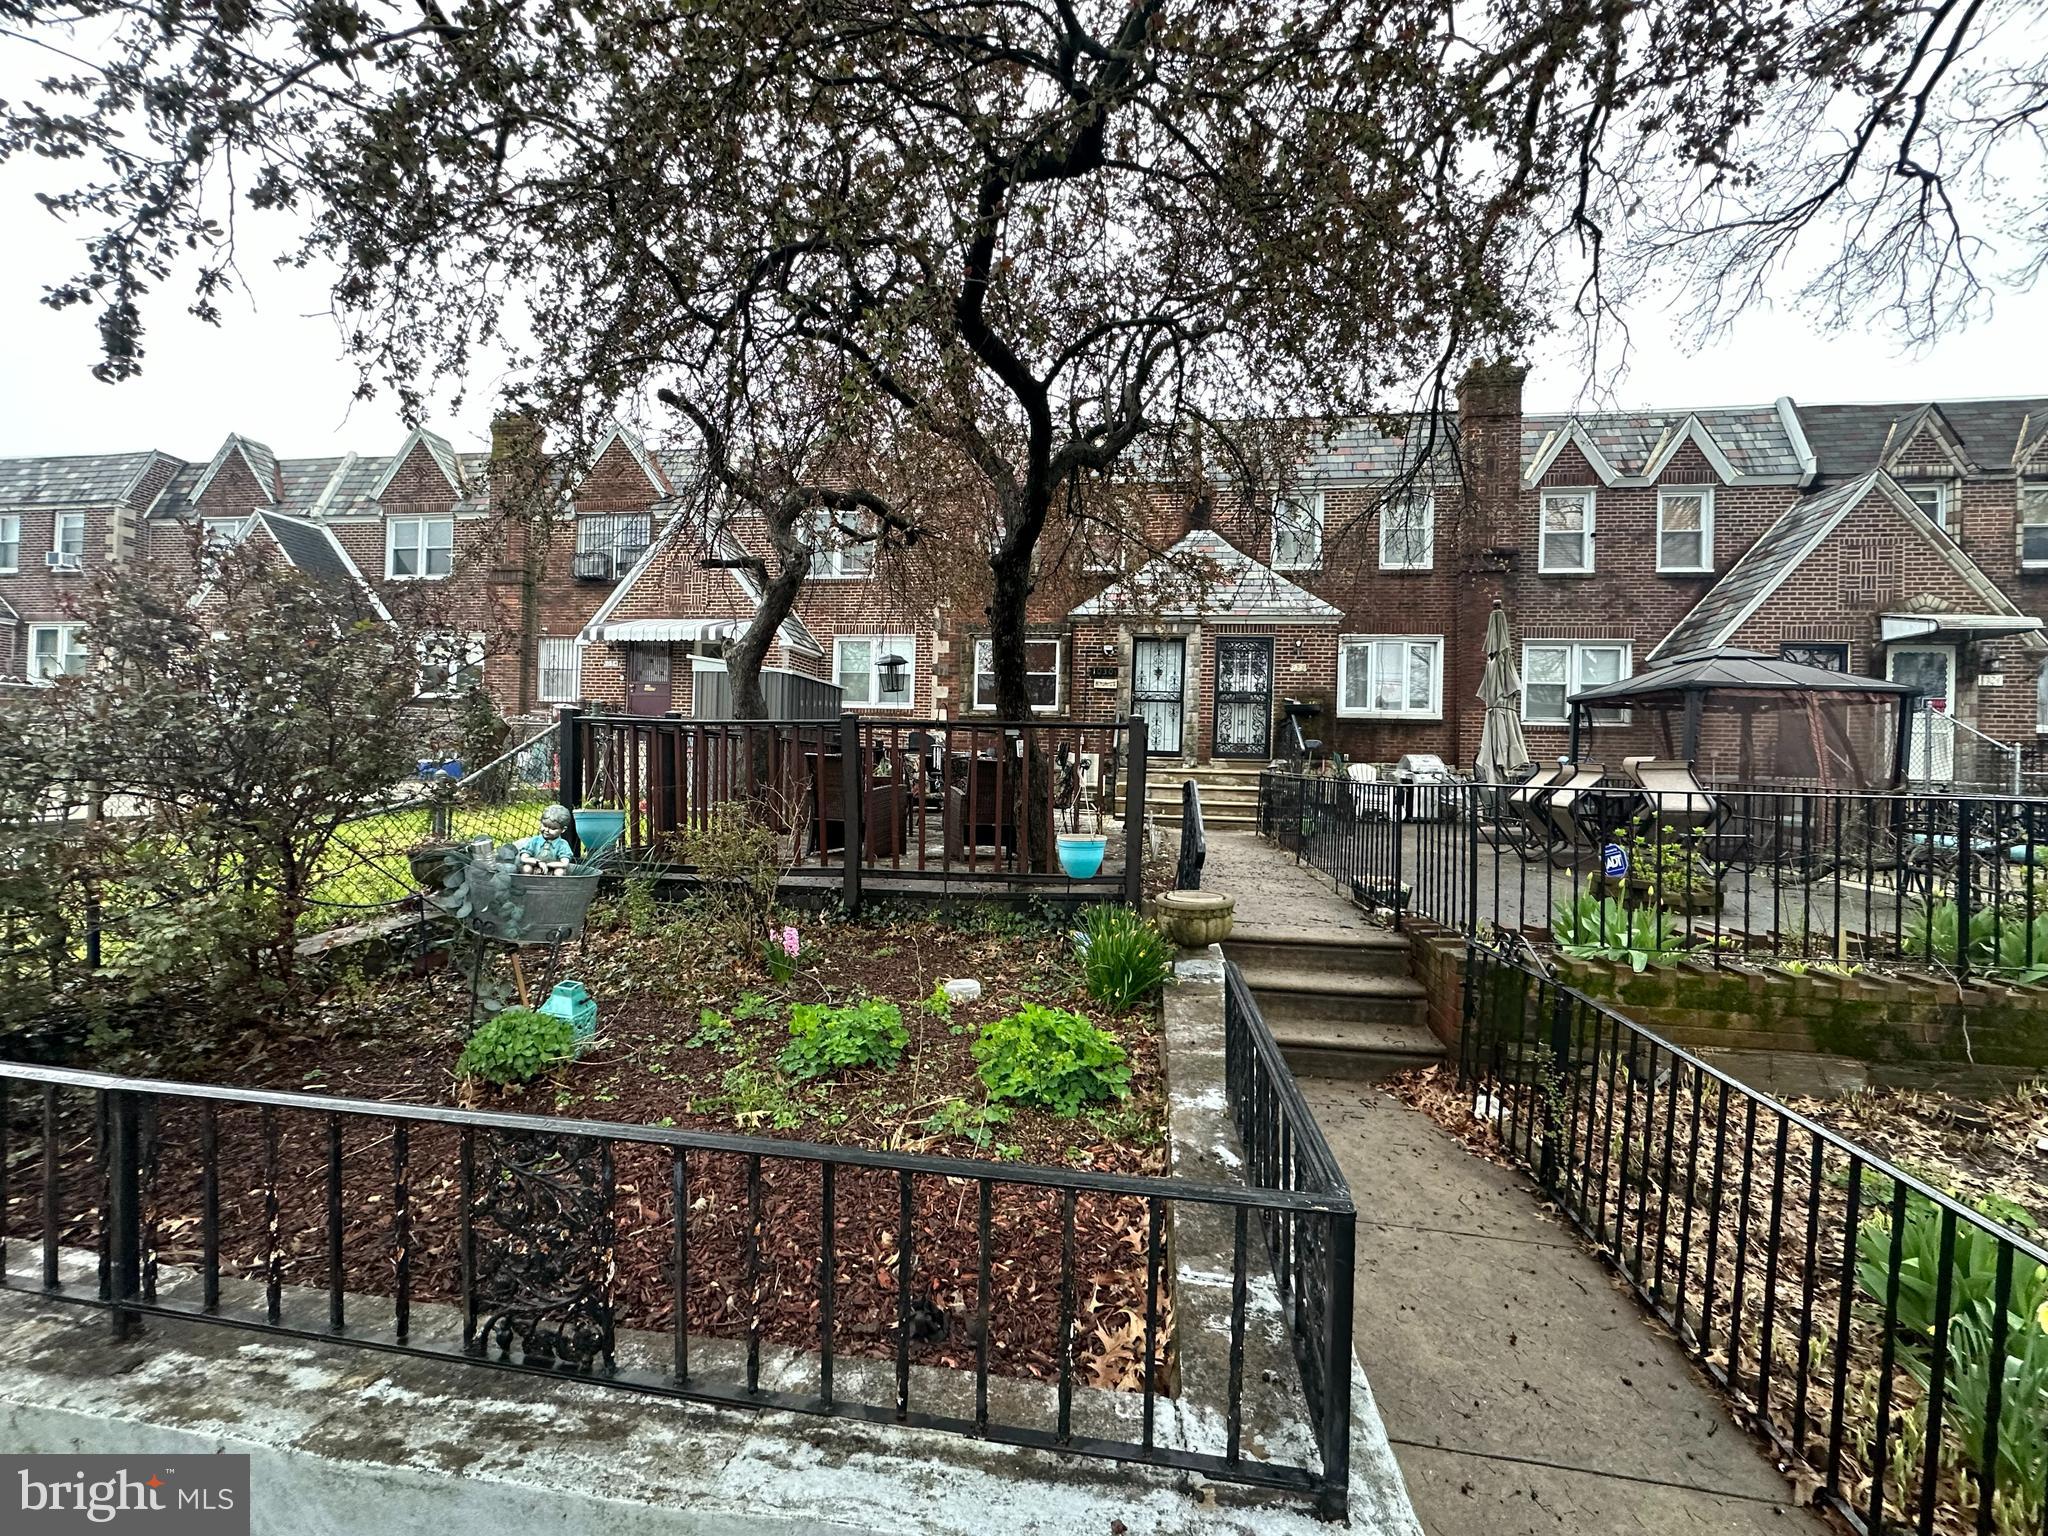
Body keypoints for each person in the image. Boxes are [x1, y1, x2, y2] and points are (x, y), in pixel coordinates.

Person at [515, 803, 575, 873]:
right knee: (527, 868)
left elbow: (564, 863)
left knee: (560, 871)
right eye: (544, 825)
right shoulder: (534, 841)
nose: (546, 830)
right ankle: (527, 882)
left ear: (563, 829)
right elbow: (524, 858)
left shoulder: (562, 844)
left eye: (553, 828)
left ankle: (556, 883)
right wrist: (538, 863)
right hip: (536, 867)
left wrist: (547, 865)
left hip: (553, 869)